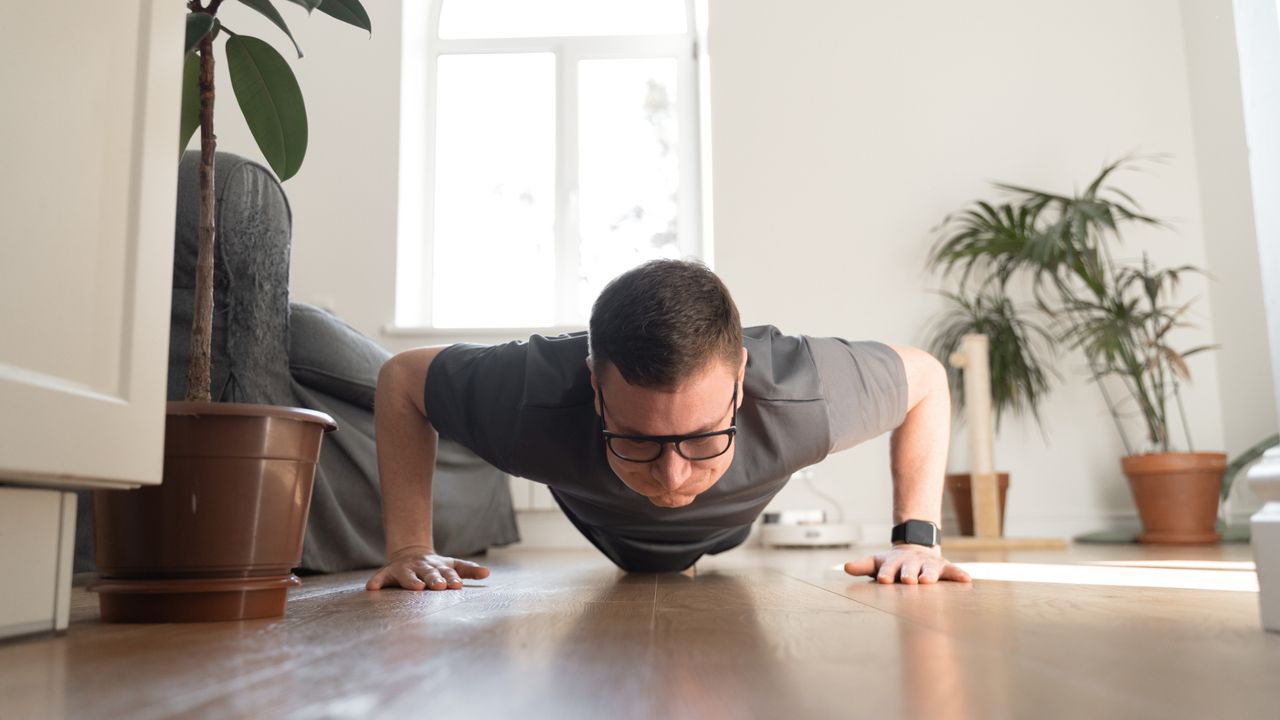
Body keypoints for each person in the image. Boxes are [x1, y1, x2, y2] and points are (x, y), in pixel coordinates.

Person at [366, 259, 971, 591]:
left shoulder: (806, 392)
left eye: (705, 437)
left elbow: (927, 381)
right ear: (595, 388)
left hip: (730, 526)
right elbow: (401, 381)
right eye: (638, 440)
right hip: (603, 526)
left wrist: (916, 539)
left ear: (741, 379)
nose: (673, 477)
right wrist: (410, 547)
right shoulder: (528, 395)